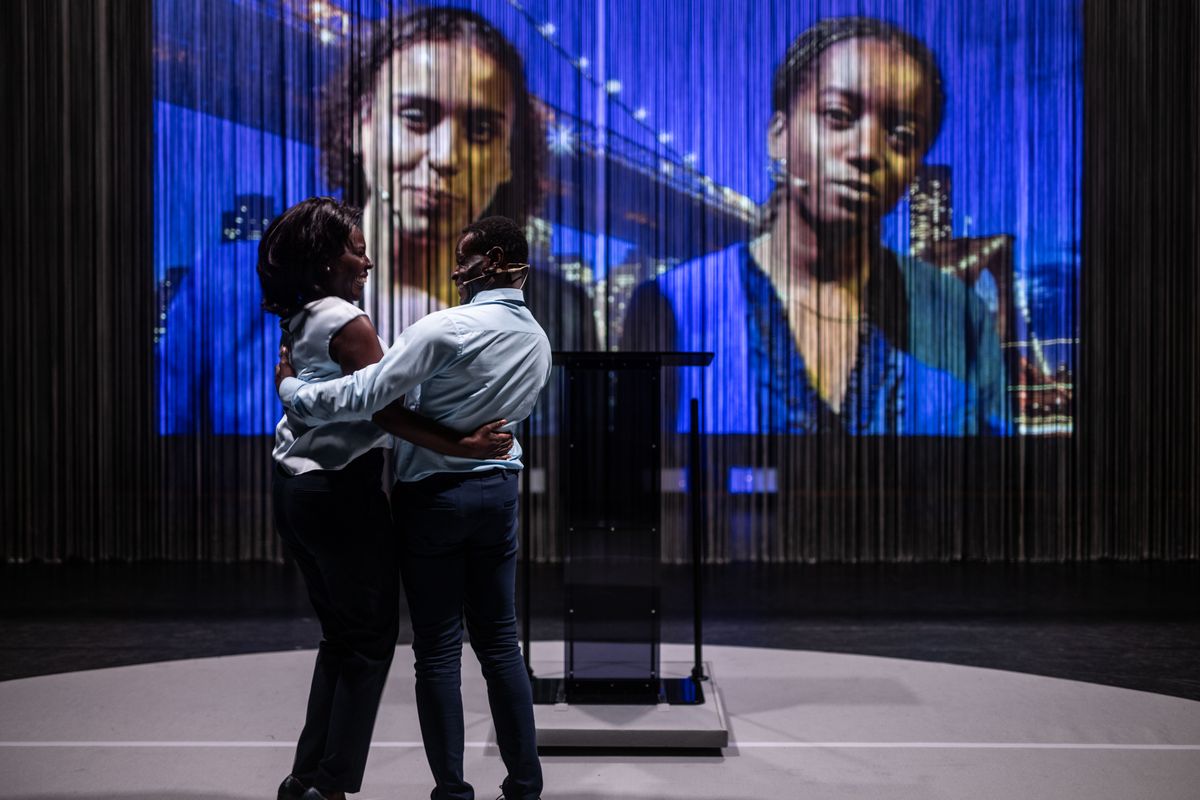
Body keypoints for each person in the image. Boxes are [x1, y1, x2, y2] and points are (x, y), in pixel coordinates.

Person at [624, 16, 1010, 435]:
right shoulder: (669, 309)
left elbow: (993, 476)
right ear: (779, 135)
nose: (867, 151)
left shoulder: (961, 321)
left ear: (915, 168)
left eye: (902, 136)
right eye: (838, 115)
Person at [277, 216, 550, 800]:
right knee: (501, 645)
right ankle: (525, 786)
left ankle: (452, 791)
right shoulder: (538, 341)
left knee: (439, 651)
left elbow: (367, 396)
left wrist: (292, 390)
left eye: (463, 258)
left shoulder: (445, 327)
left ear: (491, 260)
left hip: (434, 501)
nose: (455, 271)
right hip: (499, 494)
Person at [321, 5, 597, 351]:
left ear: (507, 158)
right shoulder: (283, 286)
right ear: (361, 124)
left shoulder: (567, 314)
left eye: (481, 130)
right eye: (415, 116)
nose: (446, 157)